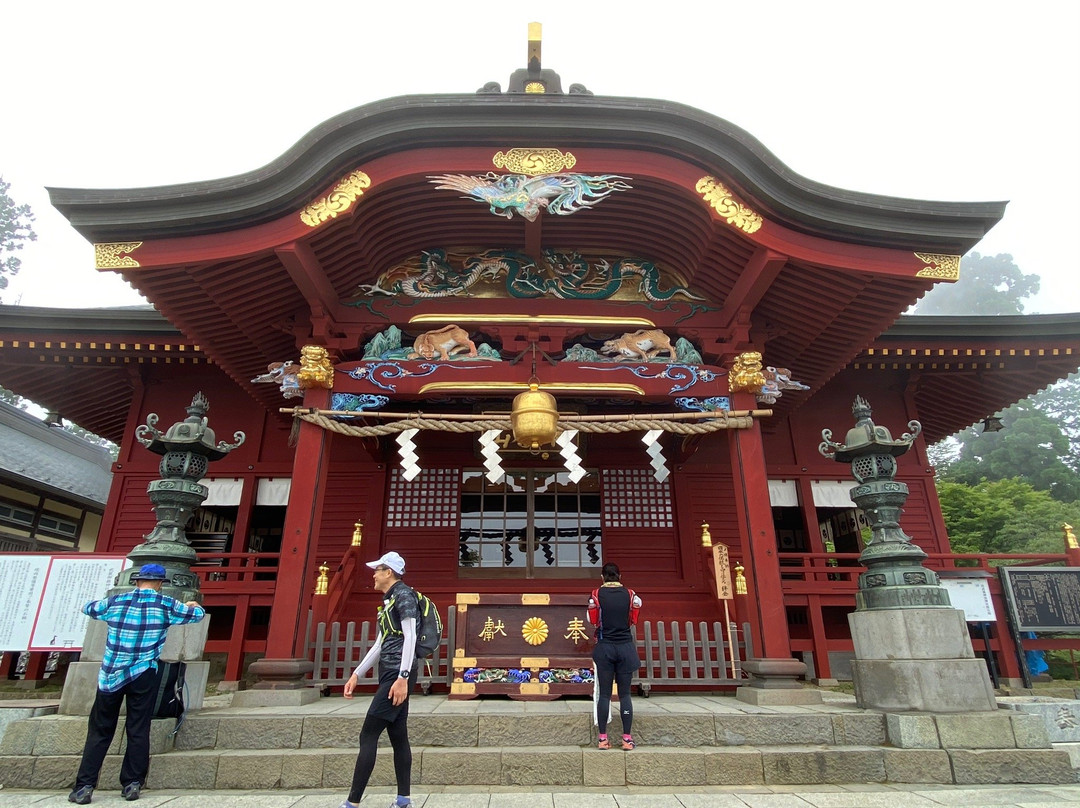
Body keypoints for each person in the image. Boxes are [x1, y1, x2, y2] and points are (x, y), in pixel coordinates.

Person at [69, 563, 205, 804]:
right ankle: (132, 783)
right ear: (161, 583)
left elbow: (89, 608)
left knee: (100, 730)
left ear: (137, 580)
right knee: (138, 726)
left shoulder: (116, 602)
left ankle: (85, 786)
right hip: (143, 672)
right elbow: (197, 615)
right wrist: (192, 605)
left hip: (111, 673)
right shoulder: (165, 604)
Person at [340, 551, 418, 808]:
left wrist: (403, 677)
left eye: (377, 570)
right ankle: (403, 799)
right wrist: (357, 674)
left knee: (368, 734)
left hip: (397, 673)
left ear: (389, 572)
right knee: (398, 735)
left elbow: (410, 637)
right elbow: (380, 643)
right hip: (392, 672)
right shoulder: (390, 600)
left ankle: (353, 802)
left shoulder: (404, 596)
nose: (373, 574)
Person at [587, 562, 642, 750]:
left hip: (605, 647)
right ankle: (627, 738)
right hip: (625, 646)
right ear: (620, 576)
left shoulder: (596, 595)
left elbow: (592, 620)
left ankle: (603, 738)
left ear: (602, 577)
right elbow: (633, 619)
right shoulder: (631, 595)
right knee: (625, 694)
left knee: (605, 694)